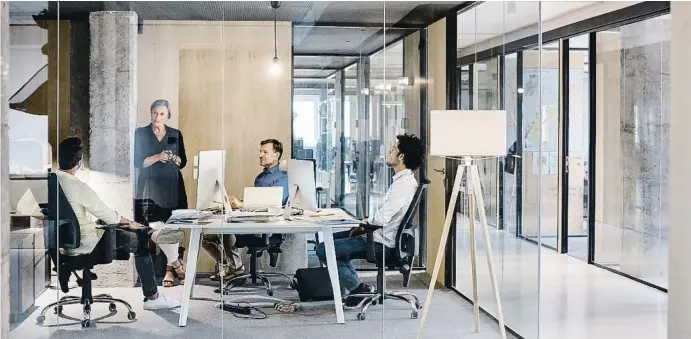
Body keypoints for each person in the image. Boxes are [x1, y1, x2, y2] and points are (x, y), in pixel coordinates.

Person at [56, 137, 180, 310]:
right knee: (140, 241)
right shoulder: (78, 187)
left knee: (118, 225)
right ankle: (153, 297)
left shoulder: (50, 183)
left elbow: (29, 208)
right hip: (90, 245)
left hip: (64, 246)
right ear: (79, 162)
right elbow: (109, 216)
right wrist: (128, 223)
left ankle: (152, 232)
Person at [315, 134, 424, 306]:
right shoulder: (405, 181)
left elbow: (381, 219)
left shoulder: (402, 186)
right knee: (331, 241)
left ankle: (358, 289)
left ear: (401, 156)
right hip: (384, 238)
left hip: (380, 242)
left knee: (323, 249)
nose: (389, 152)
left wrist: (365, 222)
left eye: (394, 149)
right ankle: (358, 288)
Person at [202, 139, 288, 281]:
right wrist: (235, 206)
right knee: (206, 236)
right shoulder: (260, 178)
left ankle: (235, 268)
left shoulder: (283, 177)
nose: (260, 155)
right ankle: (233, 266)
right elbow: (255, 203)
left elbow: (275, 202)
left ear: (276, 155)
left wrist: (242, 204)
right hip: (252, 220)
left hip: (269, 224)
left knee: (225, 230)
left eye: (265, 152)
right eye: (260, 151)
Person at [134, 99, 188, 287]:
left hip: (173, 186)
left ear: (168, 115)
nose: (158, 117)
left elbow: (183, 162)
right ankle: (178, 265)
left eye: (162, 114)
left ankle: (169, 272)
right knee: (156, 227)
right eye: (155, 113)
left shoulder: (175, 134)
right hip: (150, 188)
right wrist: (157, 157)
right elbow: (138, 162)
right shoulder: (141, 133)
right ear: (150, 113)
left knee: (172, 229)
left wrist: (173, 157)